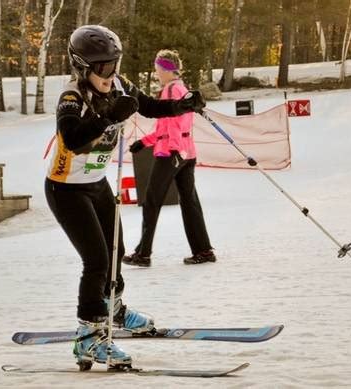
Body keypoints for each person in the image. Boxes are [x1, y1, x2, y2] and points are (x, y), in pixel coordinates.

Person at [45, 26, 205, 369]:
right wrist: (108, 116)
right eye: (102, 68)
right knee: (97, 261)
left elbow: (147, 106)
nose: (110, 74)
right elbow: (72, 138)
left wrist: (181, 105)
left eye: (114, 64)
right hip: (66, 189)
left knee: (115, 252)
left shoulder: (117, 84)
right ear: (82, 67)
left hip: (97, 184)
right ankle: (88, 339)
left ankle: (112, 309)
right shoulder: (72, 97)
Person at [122, 49, 216, 268]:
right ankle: (203, 250)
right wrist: (144, 142)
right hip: (186, 152)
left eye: (157, 69)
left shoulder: (171, 90)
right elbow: (165, 125)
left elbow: (173, 126)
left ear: (165, 69)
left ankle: (143, 254)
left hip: (172, 153)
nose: (156, 73)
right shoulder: (180, 88)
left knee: (152, 201)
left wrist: (172, 152)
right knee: (189, 201)